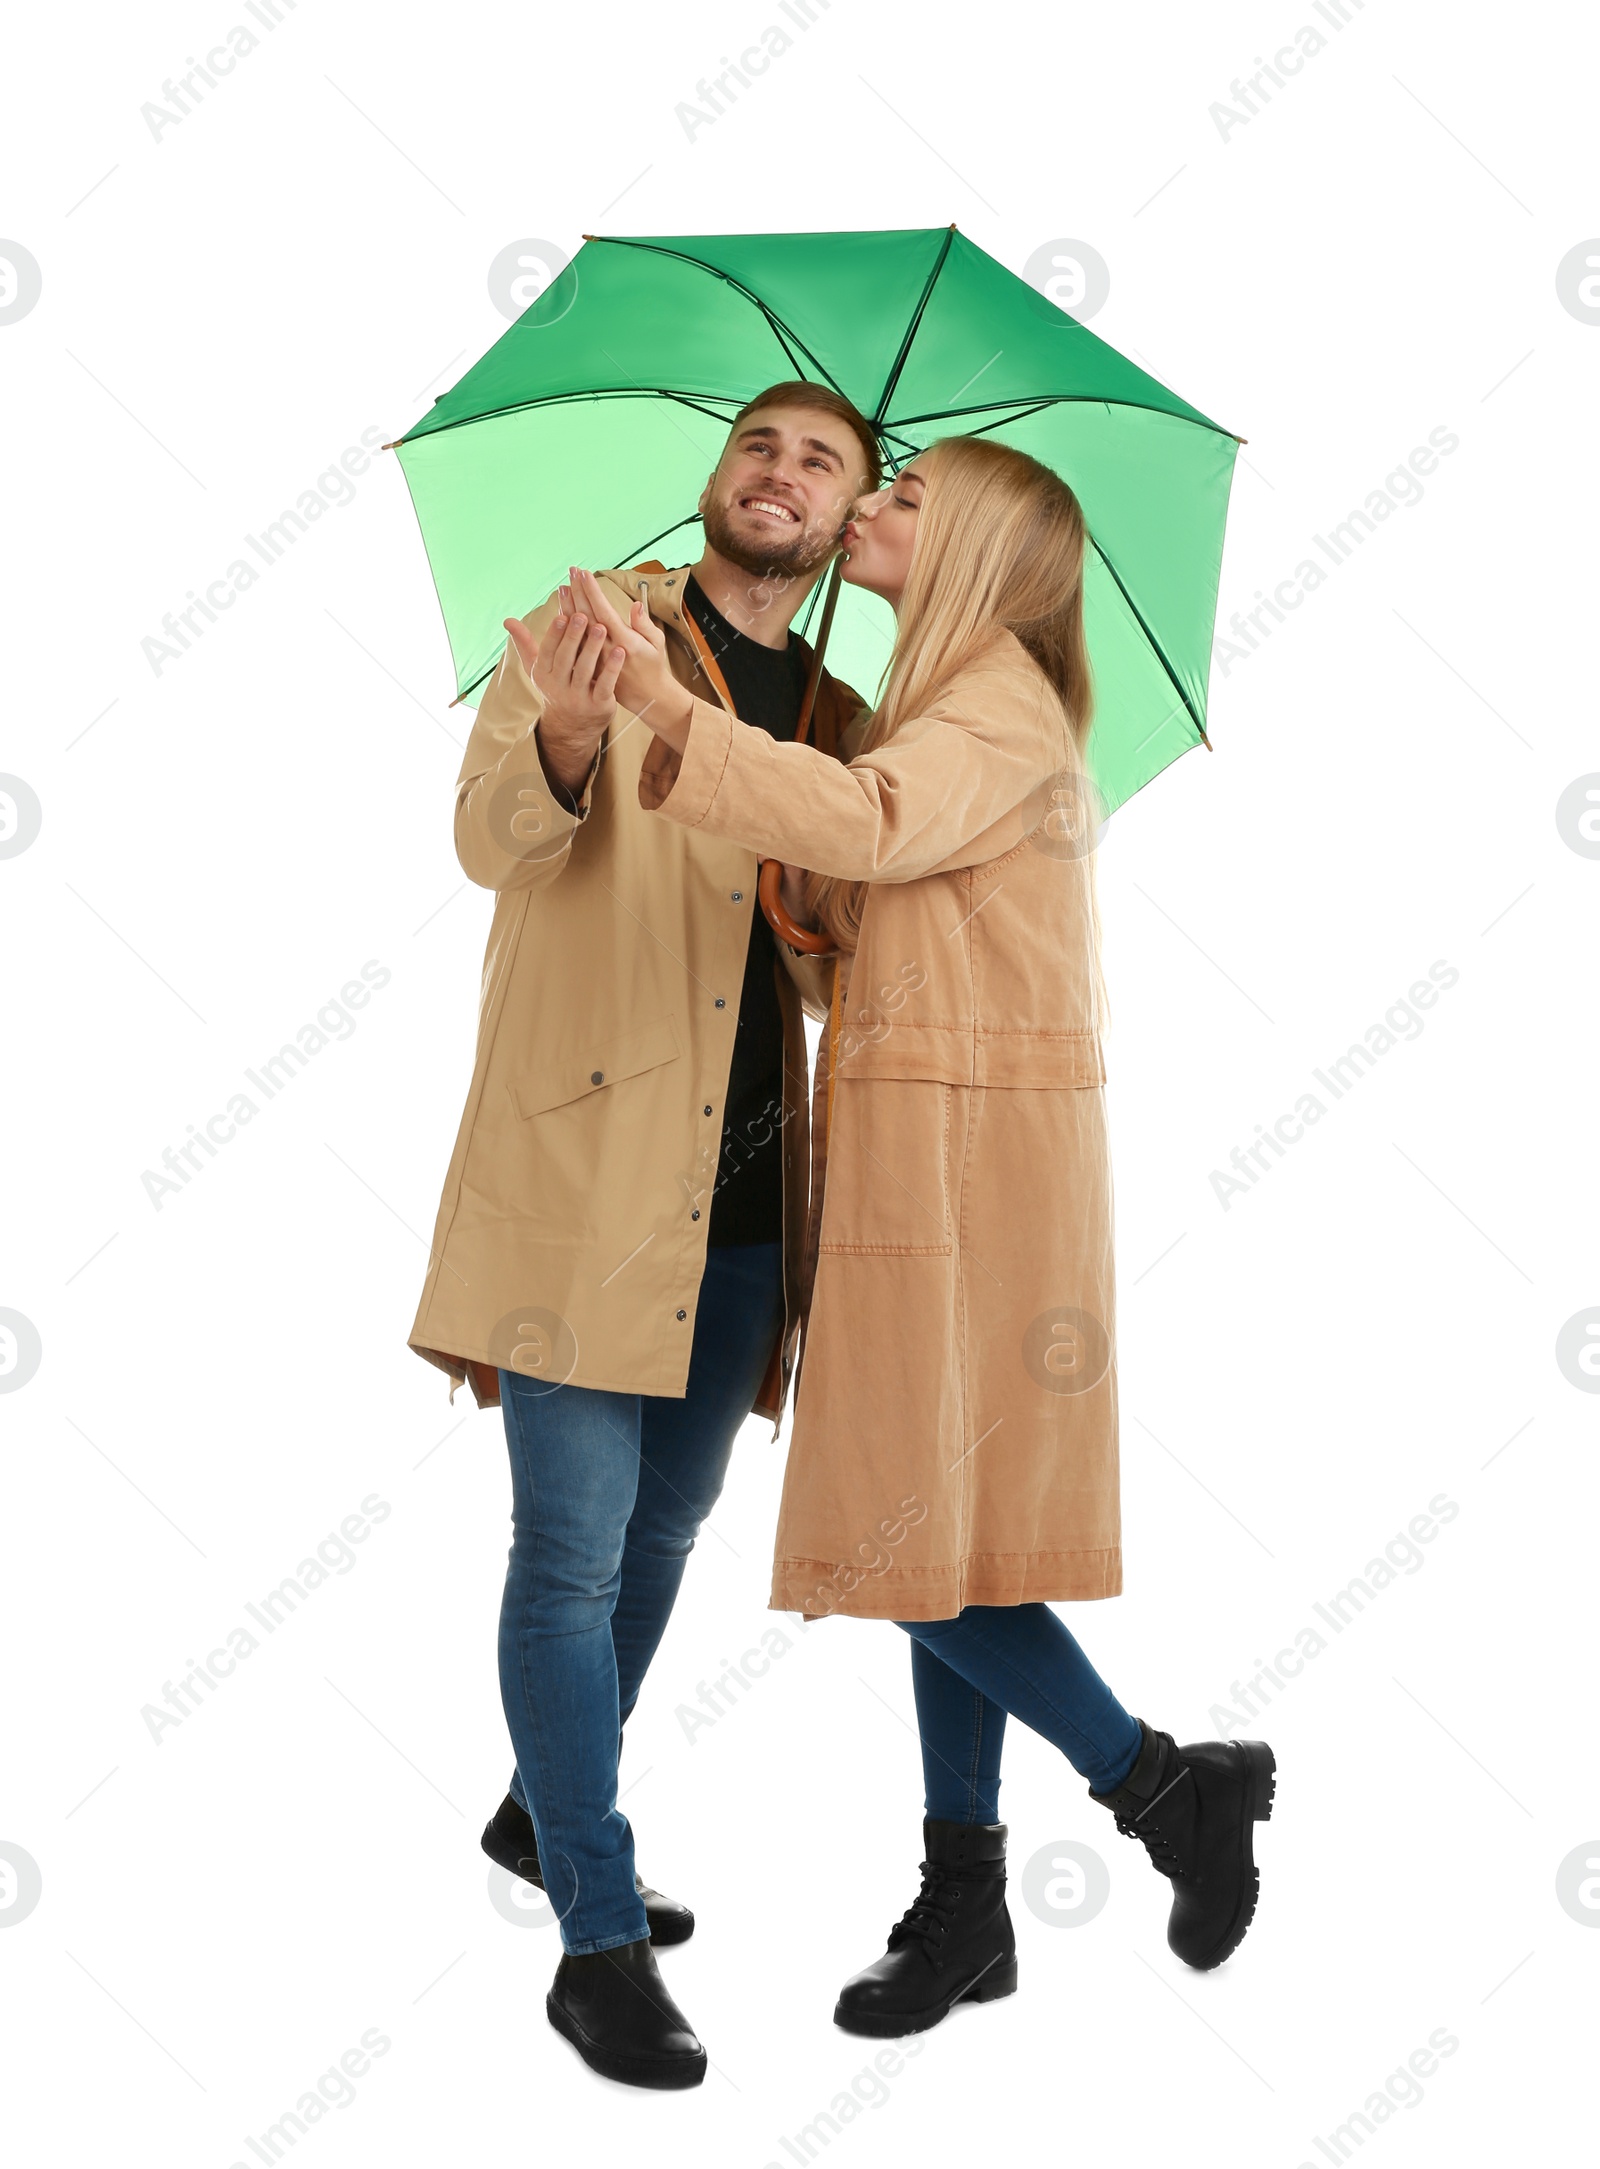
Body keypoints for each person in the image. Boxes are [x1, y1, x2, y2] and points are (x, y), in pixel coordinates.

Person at [561, 431, 1277, 2042]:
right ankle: (969, 1899)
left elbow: (879, 819)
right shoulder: (951, 708)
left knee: (897, 1539)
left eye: (898, 498)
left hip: (967, 1170)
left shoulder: (996, 701)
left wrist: (675, 717)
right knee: (941, 1536)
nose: (863, 506)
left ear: (977, 555)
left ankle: (1165, 1785)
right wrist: (813, 904)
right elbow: (892, 889)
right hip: (941, 1151)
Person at [408, 382, 879, 2088]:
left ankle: (546, 1810)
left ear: (847, 524)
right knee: (572, 1551)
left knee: (668, 1536)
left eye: (823, 462)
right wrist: (563, 738)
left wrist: (817, 896)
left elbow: (840, 965)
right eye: (763, 443)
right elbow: (486, 843)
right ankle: (594, 1935)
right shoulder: (592, 625)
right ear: (718, 474)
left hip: (751, 1197)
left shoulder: (838, 716)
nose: (784, 474)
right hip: (587, 1178)